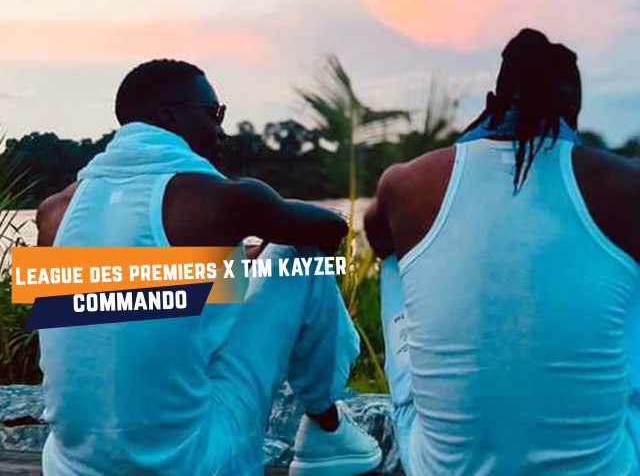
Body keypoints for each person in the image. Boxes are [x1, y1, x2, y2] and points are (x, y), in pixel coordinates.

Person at [364, 29, 640, 476]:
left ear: (492, 100)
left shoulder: (407, 183)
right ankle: (639, 447)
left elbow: (368, 240)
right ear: (573, 113)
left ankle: (356, 424)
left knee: (390, 261)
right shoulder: (630, 184)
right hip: (604, 469)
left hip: (438, 467)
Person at [36, 59, 382, 476]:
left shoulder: (54, 212)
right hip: (190, 464)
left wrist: (232, 263)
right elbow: (330, 230)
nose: (221, 130)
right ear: (170, 116)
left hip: (73, 465)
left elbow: (111, 300)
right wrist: (261, 235)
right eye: (214, 113)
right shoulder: (217, 199)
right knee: (297, 256)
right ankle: (326, 428)